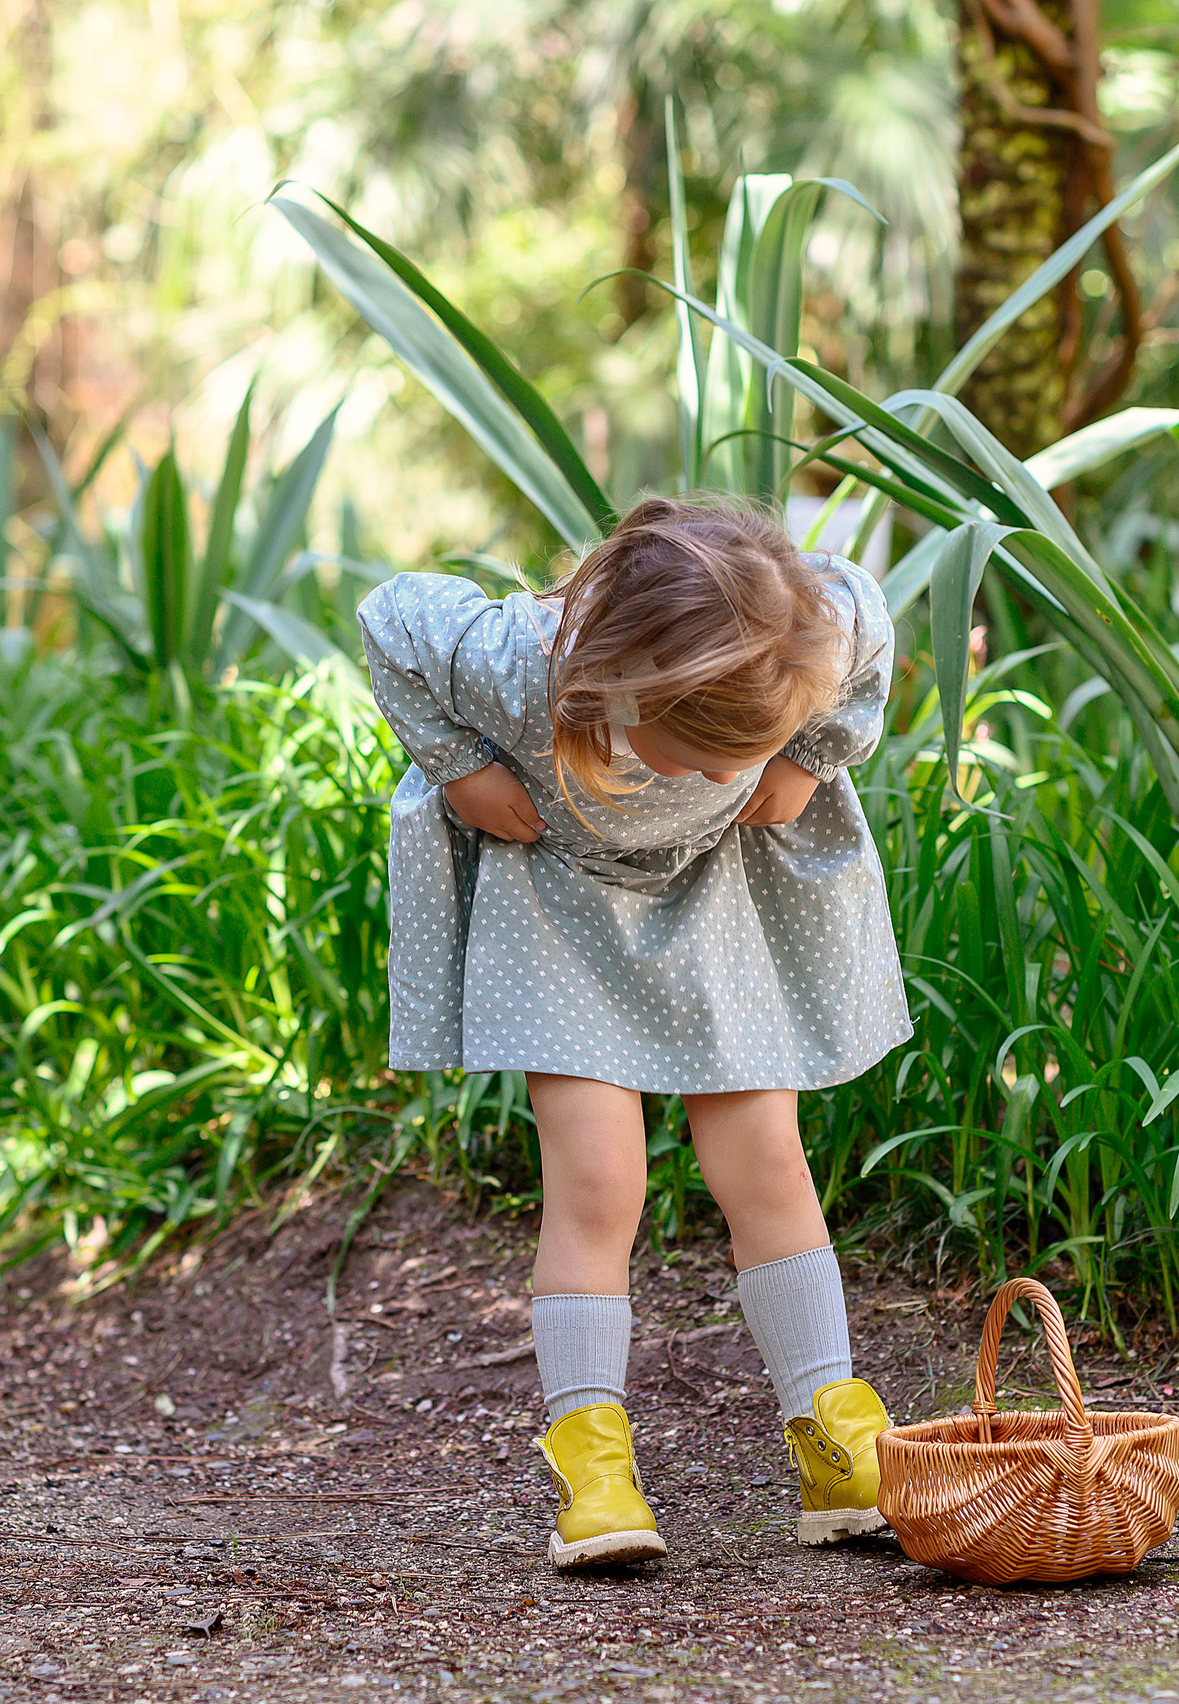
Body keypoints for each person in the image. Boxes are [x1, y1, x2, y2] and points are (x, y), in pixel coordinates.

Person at [357, 495, 913, 1569]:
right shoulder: (518, 667)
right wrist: (457, 768)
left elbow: (867, 615)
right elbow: (393, 613)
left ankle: (833, 1436)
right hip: (559, 911)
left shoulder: (800, 631)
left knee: (765, 1159)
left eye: (746, 755)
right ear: (624, 685)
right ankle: (590, 1454)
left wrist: (806, 758)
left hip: (715, 900)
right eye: (707, 757)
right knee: (599, 1180)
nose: (723, 775)